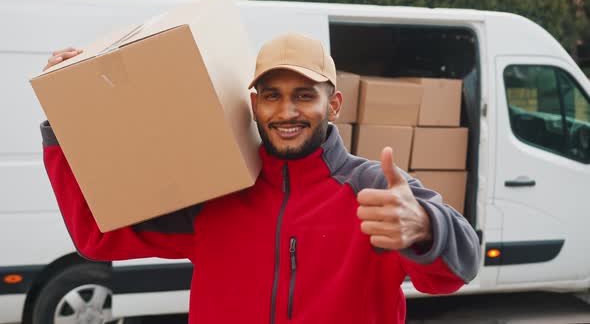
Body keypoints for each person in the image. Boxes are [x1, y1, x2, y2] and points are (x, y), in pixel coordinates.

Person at [41, 33, 481, 324]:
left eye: (304, 96)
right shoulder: (216, 194)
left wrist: (426, 228)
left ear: (333, 105)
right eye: (272, 96)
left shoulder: (375, 192)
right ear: (254, 104)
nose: (286, 112)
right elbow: (98, 235)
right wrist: (66, 116)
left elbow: (452, 273)